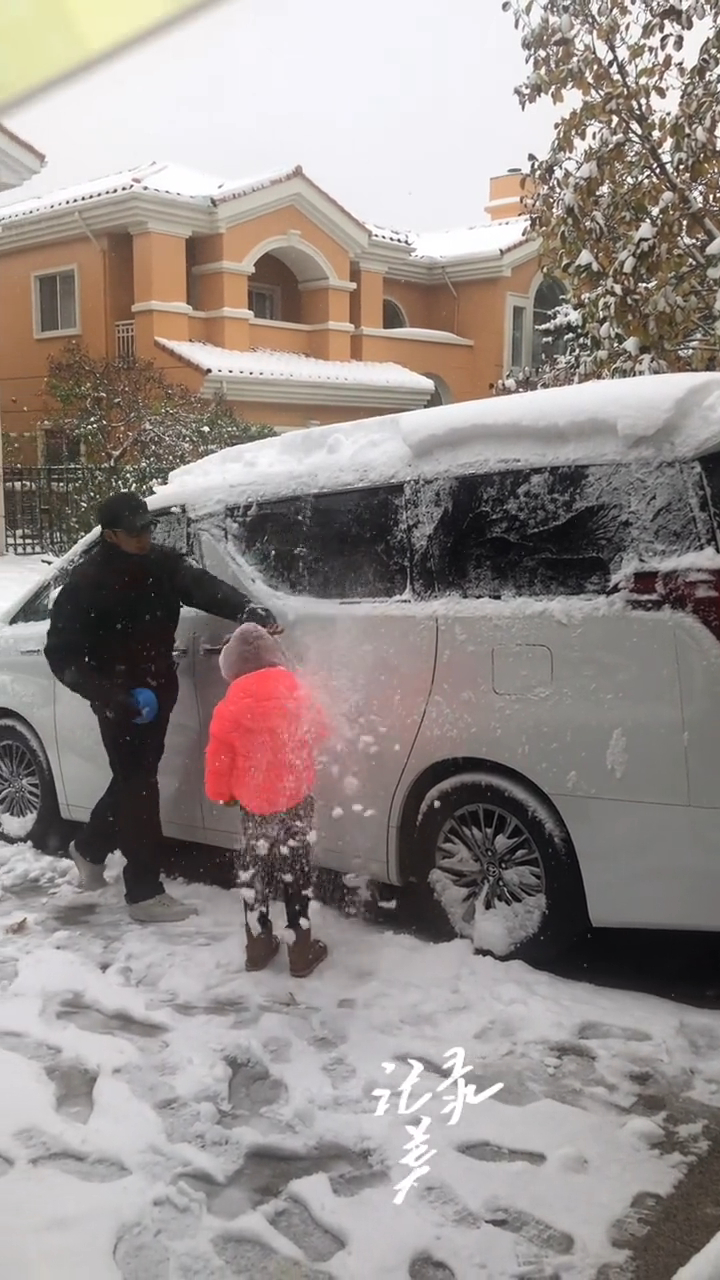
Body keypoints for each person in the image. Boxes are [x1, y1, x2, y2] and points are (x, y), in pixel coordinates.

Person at [45, 491, 279, 924]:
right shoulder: (86, 583)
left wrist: (248, 610)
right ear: (111, 535)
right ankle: (144, 892)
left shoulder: (161, 564)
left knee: (135, 777)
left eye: (147, 528)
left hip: (158, 688)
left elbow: (202, 587)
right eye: (134, 532)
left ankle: (91, 846)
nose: (143, 537)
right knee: (139, 786)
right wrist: (112, 695)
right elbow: (61, 655)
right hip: (118, 700)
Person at [204, 622, 329, 978]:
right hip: (297, 798)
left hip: (254, 806)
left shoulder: (229, 707)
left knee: (255, 873)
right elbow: (321, 731)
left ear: (231, 667)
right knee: (297, 872)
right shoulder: (299, 692)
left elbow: (218, 759)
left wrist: (222, 794)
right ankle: (301, 950)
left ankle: (258, 947)